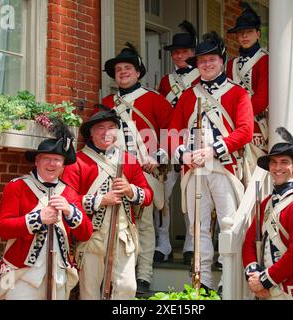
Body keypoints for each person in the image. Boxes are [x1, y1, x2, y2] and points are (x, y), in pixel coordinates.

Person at [169, 31, 254, 293]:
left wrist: (213, 151)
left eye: (212, 60)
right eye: (202, 61)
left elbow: (245, 131)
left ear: (221, 61)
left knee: (228, 224)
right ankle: (202, 281)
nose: (207, 65)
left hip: (223, 167)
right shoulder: (187, 96)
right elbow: (172, 133)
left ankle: (226, 279)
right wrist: (182, 153)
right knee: (197, 229)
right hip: (194, 170)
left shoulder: (237, 94)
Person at [101, 43, 173, 294]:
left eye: (127, 68)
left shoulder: (156, 101)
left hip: (143, 172)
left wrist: (158, 156)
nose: (122, 72)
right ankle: (122, 274)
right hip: (114, 172)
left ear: (138, 72)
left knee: (143, 225)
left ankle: (143, 275)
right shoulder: (107, 102)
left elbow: (170, 134)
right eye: (118, 69)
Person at [62, 108, 153, 300]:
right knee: (90, 292)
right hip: (91, 237)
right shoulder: (77, 162)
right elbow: (69, 201)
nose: (106, 133)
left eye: (111, 128)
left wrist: (130, 190)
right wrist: (101, 200)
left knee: (127, 287)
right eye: (100, 128)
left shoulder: (128, 160)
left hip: (123, 234)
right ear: (91, 134)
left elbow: (147, 195)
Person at [0, 121, 93, 300]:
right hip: (21, 273)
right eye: (46, 158)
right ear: (37, 160)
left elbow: (85, 233)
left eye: (57, 160)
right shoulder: (17, 187)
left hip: (58, 275)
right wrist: (37, 218)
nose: (52, 164)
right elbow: (3, 228)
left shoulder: (69, 192)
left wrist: (71, 211)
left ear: (63, 165)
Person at [242, 127, 293, 300]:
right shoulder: (266, 203)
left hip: (291, 290)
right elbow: (248, 243)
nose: (278, 167)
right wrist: (254, 275)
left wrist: (264, 281)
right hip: (265, 291)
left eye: (284, 162)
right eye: (273, 162)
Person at [155, 20, 200, 264]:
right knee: (163, 195)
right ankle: (163, 243)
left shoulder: (200, 78)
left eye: (183, 51)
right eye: (175, 52)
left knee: (193, 195)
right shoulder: (165, 81)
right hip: (169, 141)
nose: (179, 56)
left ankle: (192, 243)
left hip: (193, 141)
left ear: (193, 53)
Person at [226, 2, 269, 169]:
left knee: (255, 171)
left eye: (249, 32)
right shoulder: (231, 64)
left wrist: (240, 116)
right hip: (233, 124)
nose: (244, 36)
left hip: (255, 124)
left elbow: (262, 99)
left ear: (258, 34)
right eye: (240, 33)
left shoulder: (264, 60)